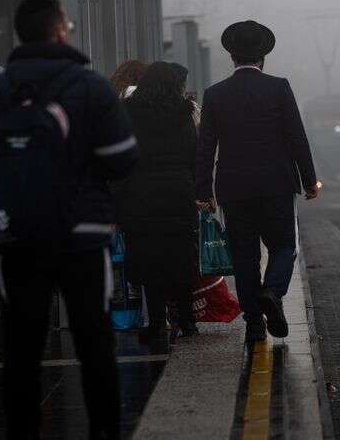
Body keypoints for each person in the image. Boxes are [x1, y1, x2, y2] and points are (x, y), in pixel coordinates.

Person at [0, 0, 137, 440]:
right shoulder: (91, 87)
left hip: (15, 236)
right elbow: (123, 160)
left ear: (20, 34)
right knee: (94, 340)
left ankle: (23, 435)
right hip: (82, 235)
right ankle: (104, 434)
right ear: (60, 31)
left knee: (21, 345)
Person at [196, 20, 319, 343]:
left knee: (244, 256)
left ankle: (253, 324)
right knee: (282, 246)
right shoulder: (279, 88)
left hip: (233, 189)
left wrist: (202, 191)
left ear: (232, 58)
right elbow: (297, 138)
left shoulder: (215, 95)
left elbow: (205, 147)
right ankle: (273, 293)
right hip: (276, 184)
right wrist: (309, 180)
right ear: (263, 58)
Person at [112, 62, 199, 350]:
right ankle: (187, 321)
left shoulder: (128, 111)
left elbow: (121, 155)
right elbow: (192, 152)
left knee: (148, 259)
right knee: (181, 255)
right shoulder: (184, 111)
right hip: (178, 193)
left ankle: (156, 322)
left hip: (140, 194)